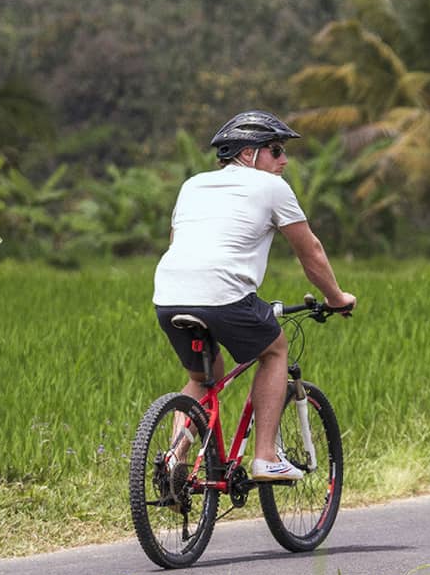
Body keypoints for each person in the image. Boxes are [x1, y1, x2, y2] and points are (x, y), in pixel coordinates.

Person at [152, 110, 355, 482]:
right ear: (249, 155)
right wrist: (337, 297)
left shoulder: (192, 185)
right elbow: (309, 251)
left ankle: (173, 459)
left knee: (205, 377)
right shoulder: (272, 188)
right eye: (275, 150)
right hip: (225, 294)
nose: (284, 160)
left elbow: (177, 243)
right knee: (274, 350)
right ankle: (265, 457)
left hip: (168, 294)